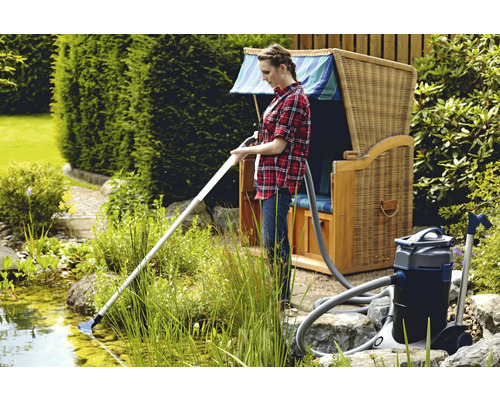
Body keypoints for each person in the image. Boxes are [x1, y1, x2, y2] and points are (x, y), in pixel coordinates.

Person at [231, 43, 311, 309]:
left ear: (282, 68)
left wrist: (246, 151)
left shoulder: (295, 100)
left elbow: (278, 146)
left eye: (266, 72)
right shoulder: (281, 96)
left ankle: (281, 301)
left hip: (279, 180)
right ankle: (278, 296)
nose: (263, 78)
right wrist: (256, 138)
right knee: (271, 241)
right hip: (267, 179)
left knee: (274, 242)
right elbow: (272, 133)